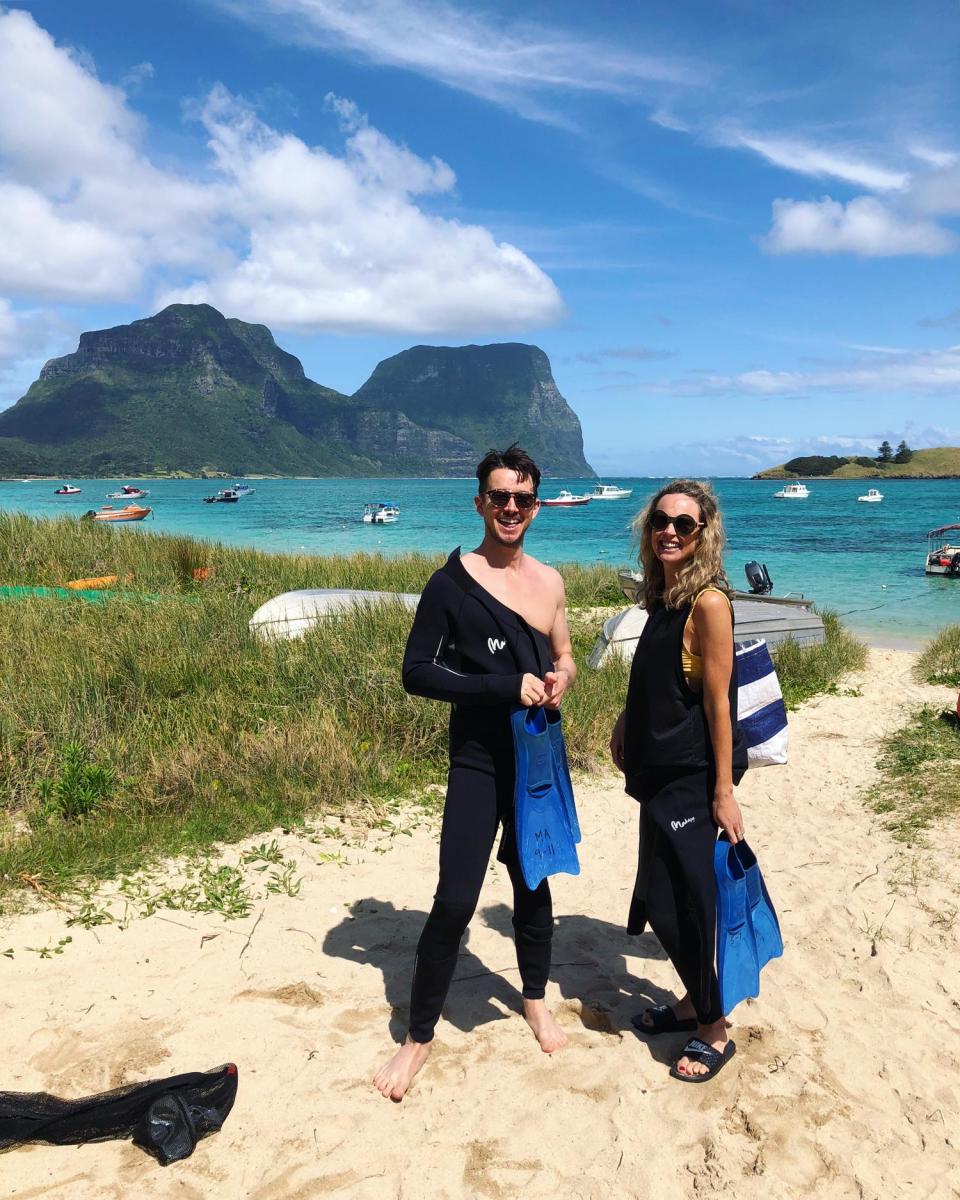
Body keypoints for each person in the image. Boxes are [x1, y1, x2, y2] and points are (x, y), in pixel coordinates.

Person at [373, 444, 577, 1101]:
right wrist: (501, 686)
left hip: (536, 758)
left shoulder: (549, 583)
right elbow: (416, 672)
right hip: (477, 760)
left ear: (535, 507)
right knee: (456, 897)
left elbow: (566, 654)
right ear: (480, 503)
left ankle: (535, 999)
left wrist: (559, 678)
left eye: (521, 499)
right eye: (498, 497)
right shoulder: (451, 582)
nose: (509, 508)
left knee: (532, 881)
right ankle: (419, 1036)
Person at [610, 479, 747, 1083]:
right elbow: (654, 679)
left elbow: (719, 703)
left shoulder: (709, 603)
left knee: (686, 902)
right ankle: (694, 1001)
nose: (668, 531)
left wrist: (723, 791)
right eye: (660, 521)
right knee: (659, 893)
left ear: (703, 535)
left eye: (683, 524)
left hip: (691, 778)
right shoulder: (664, 596)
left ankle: (713, 1028)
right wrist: (622, 723)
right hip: (656, 773)